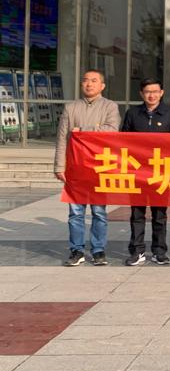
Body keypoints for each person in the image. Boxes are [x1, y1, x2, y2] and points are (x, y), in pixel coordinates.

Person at [54, 69, 120, 267]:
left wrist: (84, 131)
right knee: (75, 213)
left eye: (94, 80)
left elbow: (112, 131)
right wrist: (59, 166)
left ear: (102, 85)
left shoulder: (110, 106)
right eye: (85, 80)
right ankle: (77, 250)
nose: (89, 84)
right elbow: (62, 138)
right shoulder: (71, 108)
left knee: (99, 212)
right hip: (76, 167)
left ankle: (98, 250)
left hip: (100, 167)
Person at [121, 78, 170, 266]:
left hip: (161, 172)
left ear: (161, 93)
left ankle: (159, 252)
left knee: (160, 214)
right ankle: (137, 251)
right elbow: (123, 140)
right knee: (137, 213)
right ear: (141, 94)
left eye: (155, 91)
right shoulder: (133, 113)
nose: (152, 95)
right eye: (148, 91)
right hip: (137, 171)